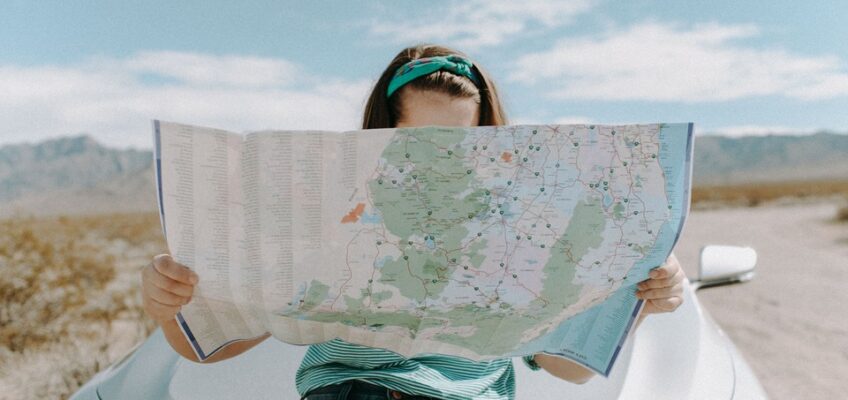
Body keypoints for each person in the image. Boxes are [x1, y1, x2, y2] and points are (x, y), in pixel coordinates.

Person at [141, 44, 685, 400]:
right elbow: (208, 347)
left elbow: (570, 369)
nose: (440, 160)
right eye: (420, 142)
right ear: (382, 136)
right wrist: (170, 306)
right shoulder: (326, 210)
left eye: (461, 144)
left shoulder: (531, 223)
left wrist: (637, 299)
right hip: (350, 391)